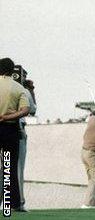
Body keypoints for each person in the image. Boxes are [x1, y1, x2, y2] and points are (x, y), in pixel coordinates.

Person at [0, 57, 31, 213]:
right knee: (9, 167)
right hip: (9, 129)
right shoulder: (18, 87)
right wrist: (7, 117)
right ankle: (13, 203)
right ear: (12, 71)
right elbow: (26, 110)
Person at [17, 79, 37, 211]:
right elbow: (33, 109)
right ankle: (18, 202)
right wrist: (31, 91)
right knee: (18, 168)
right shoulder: (23, 90)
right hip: (17, 128)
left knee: (4, 168)